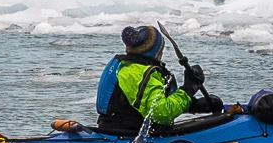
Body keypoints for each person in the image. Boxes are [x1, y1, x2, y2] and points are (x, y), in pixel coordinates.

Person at [95, 24, 226, 136]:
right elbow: (161, 113)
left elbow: (152, 102)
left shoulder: (127, 65)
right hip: (125, 136)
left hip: (116, 130)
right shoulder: (137, 73)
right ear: (156, 52)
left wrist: (193, 105)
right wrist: (188, 89)